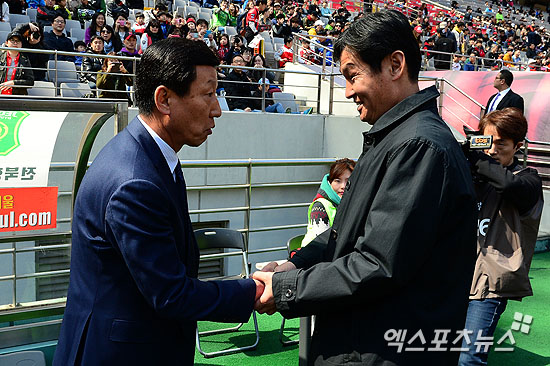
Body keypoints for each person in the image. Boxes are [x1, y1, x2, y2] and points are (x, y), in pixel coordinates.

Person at [252, 10, 477, 365]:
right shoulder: (396, 139)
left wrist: (285, 290)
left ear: (395, 64)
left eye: (352, 75)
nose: (347, 92)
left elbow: (377, 263)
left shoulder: (417, 147)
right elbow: (347, 232)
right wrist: (295, 266)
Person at [53, 37, 262, 366]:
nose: (218, 109)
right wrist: (256, 291)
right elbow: (170, 294)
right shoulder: (135, 181)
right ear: (164, 99)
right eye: (208, 94)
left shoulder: (149, 157)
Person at [459, 108, 543, 366]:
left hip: (491, 284)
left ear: (518, 146)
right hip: (456, 275)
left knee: (469, 358)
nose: (492, 150)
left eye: (501, 144)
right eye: (486, 142)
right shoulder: (473, 175)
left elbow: (508, 186)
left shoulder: (528, 180)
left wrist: (477, 158)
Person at [301, 158, 355, 246]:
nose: (343, 186)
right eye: (338, 181)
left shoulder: (354, 204)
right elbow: (321, 245)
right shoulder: (320, 207)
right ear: (330, 183)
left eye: (348, 181)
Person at [0, 31, 34, 95]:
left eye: (18, 41)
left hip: (17, 96)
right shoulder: (0, 56)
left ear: (21, 44)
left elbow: (30, 82)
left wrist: (14, 83)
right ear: (6, 43)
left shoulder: (25, 60)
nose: (15, 43)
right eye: (12, 40)